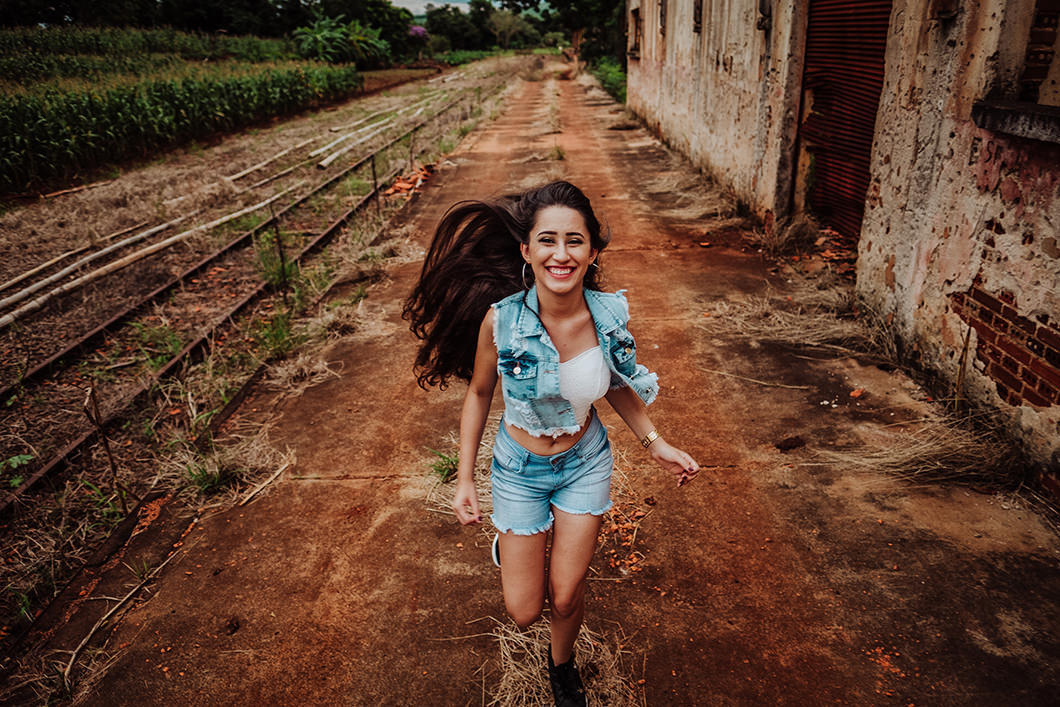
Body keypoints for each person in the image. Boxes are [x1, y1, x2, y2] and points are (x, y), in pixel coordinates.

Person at [404, 181, 699, 706]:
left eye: (574, 241)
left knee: (565, 596)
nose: (560, 254)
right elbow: (478, 393)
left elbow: (615, 385)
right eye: (547, 241)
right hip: (518, 469)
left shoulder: (607, 317)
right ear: (526, 250)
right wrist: (466, 478)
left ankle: (562, 669)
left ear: (592, 251)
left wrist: (657, 443)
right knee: (524, 610)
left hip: (584, 462)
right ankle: (511, 545)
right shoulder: (502, 321)